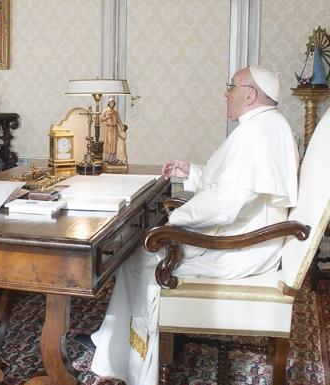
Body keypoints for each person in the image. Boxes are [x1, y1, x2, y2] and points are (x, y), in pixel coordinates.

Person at [85, 66, 299, 385]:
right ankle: (111, 341)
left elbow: (228, 204)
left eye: (231, 87)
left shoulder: (255, 133)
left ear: (250, 94)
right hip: (247, 239)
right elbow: (233, 185)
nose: (226, 94)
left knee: (135, 258)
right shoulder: (268, 125)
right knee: (139, 251)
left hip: (240, 249)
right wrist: (193, 173)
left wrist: (174, 223)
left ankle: (132, 362)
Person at [101, 97, 128, 164]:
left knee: (115, 144)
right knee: (109, 143)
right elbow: (101, 119)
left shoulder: (116, 112)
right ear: (108, 103)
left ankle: (113, 159)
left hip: (115, 129)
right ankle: (107, 159)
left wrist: (122, 126)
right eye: (111, 103)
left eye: (113, 103)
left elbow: (119, 120)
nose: (112, 104)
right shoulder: (105, 110)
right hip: (108, 129)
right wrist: (107, 117)